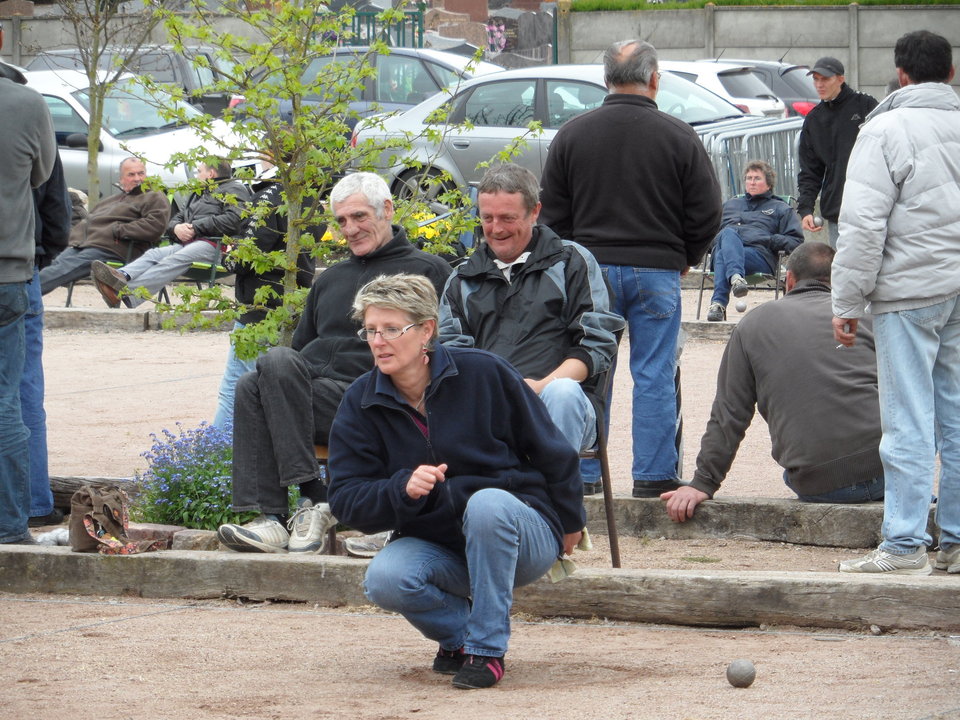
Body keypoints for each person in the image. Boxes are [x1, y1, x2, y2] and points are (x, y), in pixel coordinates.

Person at [328, 274, 585, 690]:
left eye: (392, 329)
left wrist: (571, 520)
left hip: (519, 534)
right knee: (386, 578)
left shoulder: (484, 372)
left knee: (487, 503)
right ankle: (459, 638)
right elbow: (345, 499)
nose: (378, 341)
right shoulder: (360, 401)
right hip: (440, 545)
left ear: (426, 330)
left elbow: (553, 451)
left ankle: (487, 651)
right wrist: (401, 488)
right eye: (370, 330)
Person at [216, 172, 450, 555]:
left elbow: (442, 347)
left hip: (378, 399)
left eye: (359, 216)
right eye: (341, 220)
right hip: (316, 397)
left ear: (387, 209)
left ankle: (314, 499)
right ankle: (273, 518)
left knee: (268, 369)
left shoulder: (428, 271)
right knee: (254, 382)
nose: (350, 229)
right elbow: (301, 348)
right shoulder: (330, 279)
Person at [539, 39, 722, 498]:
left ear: (605, 79)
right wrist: (685, 256)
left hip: (590, 271)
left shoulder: (573, 134)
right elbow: (707, 211)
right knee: (655, 372)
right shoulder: (679, 135)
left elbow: (552, 215)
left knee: (586, 369)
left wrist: (572, 262)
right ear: (654, 79)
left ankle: (583, 474)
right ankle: (654, 475)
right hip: (657, 269)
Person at [833, 30, 960, 576]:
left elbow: (863, 225)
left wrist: (847, 300)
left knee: (907, 419)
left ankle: (905, 544)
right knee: (956, 418)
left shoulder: (884, 129)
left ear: (901, 74)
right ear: (950, 74)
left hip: (909, 289)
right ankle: (956, 540)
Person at [664, 243, 884, 523]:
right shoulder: (868, 319)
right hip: (889, 470)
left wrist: (703, 482)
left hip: (821, 482)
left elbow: (730, 412)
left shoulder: (752, 324)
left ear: (789, 280)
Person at [439, 163, 624, 493]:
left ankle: (552, 507)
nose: (496, 229)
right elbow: (453, 358)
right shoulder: (462, 278)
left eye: (507, 218)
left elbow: (596, 345)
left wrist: (536, 388)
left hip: (562, 402)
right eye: (487, 218)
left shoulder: (572, 261)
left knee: (562, 393)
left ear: (534, 212)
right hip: (489, 408)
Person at [0, 59, 56, 545]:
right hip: (11, 270)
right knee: (11, 399)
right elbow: (44, 178)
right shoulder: (25, 102)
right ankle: (14, 523)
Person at [211, 176, 316, 430]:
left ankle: (219, 451)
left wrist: (228, 255)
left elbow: (244, 257)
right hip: (294, 305)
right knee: (277, 393)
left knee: (234, 390)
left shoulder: (270, 196)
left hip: (260, 311)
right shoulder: (312, 198)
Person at [90, 157, 251, 308]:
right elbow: (177, 218)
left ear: (211, 174)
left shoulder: (235, 189)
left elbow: (234, 219)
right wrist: (176, 228)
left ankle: (125, 294)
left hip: (218, 246)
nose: (196, 175)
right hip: (191, 244)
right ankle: (119, 277)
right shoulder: (198, 193)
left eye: (199, 171)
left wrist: (195, 227)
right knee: (154, 254)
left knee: (175, 258)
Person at [39, 157, 170, 294]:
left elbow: (155, 226)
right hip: (85, 244)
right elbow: (89, 220)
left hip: (117, 248)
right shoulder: (113, 199)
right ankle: (31, 297)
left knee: (63, 268)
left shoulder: (154, 196)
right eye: (131, 174)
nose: (137, 178)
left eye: (141, 173)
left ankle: (29, 296)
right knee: (55, 264)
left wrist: (118, 230)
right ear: (121, 179)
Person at [705, 160, 804, 322]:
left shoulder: (780, 208)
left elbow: (796, 242)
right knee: (728, 234)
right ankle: (736, 278)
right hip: (724, 249)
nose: (752, 182)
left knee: (725, 251)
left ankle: (718, 304)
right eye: (749, 178)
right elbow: (707, 237)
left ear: (769, 183)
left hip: (758, 256)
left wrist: (766, 239)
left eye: (757, 178)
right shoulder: (729, 205)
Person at [796, 56, 878, 249]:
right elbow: (810, 170)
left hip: (870, 205)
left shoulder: (865, 105)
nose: (819, 84)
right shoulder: (814, 119)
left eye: (825, 79)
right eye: (816, 79)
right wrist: (806, 209)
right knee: (840, 263)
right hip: (837, 210)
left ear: (840, 79)